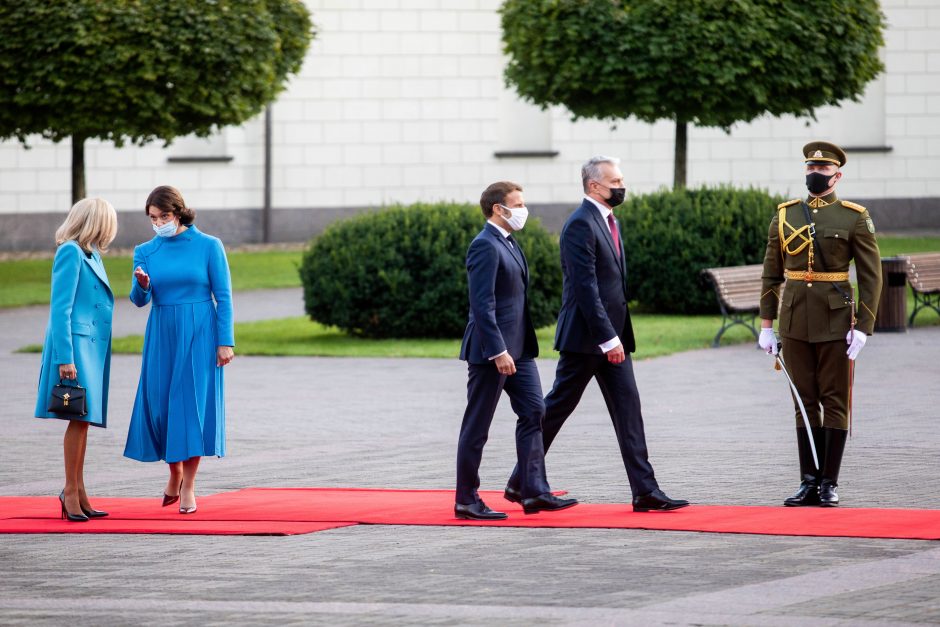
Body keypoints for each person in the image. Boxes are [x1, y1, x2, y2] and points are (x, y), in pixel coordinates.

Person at [504, 156, 689, 512]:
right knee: (557, 407)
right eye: (615, 181)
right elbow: (585, 288)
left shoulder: (606, 220)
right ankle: (521, 481)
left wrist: (616, 337)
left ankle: (645, 491)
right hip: (587, 338)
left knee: (628, 410)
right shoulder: (580, 224)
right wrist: (608, 338)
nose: (621, 187)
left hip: (612, 337)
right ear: (594, 186)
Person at [758, 141, 882, 507]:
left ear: (837, 175)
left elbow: (872, 276)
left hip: (835, 319)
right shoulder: (785, 215)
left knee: (835, 400)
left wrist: (864, 326)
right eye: (811, 169)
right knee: (804, 401)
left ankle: (830, 482)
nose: (815, 174)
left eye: (823, 170)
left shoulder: (853, 216)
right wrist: (767, 324)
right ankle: (807, 481)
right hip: (795, 319)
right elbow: (771, 275)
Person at [455, 181, 578, 520]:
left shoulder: (508, 243)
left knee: (535, 412)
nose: (524, 209)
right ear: (499, 208)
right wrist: (497, 351)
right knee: (477, 425)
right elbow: (482, 305)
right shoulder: (484, 245)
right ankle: (466, 499)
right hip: (491, 353)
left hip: (519, 351)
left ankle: (533, 491)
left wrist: (514, 349)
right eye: (518, 203)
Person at [123, 186, 234, 514]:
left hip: (200, 330)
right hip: (162, 332)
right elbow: (138, 300)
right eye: (153, 219)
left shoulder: (209, 246)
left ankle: (189, 485)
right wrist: (142, 286)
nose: (158, 224)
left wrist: (225, 342)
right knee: (161, 407)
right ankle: (175, 472)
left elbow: (224, 296)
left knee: (190, 408)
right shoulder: (145, 251)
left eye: (164, 217)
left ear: (179, 213)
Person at [35, 197, 118, 522]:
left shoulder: (91, 253)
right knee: (78, 416)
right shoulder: (70, 252)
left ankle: (79, 490)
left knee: (84, 419)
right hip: (76, 348)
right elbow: (61, 308)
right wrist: (64, 358)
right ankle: (70, 490)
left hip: (91, 348)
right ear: (96, 222)